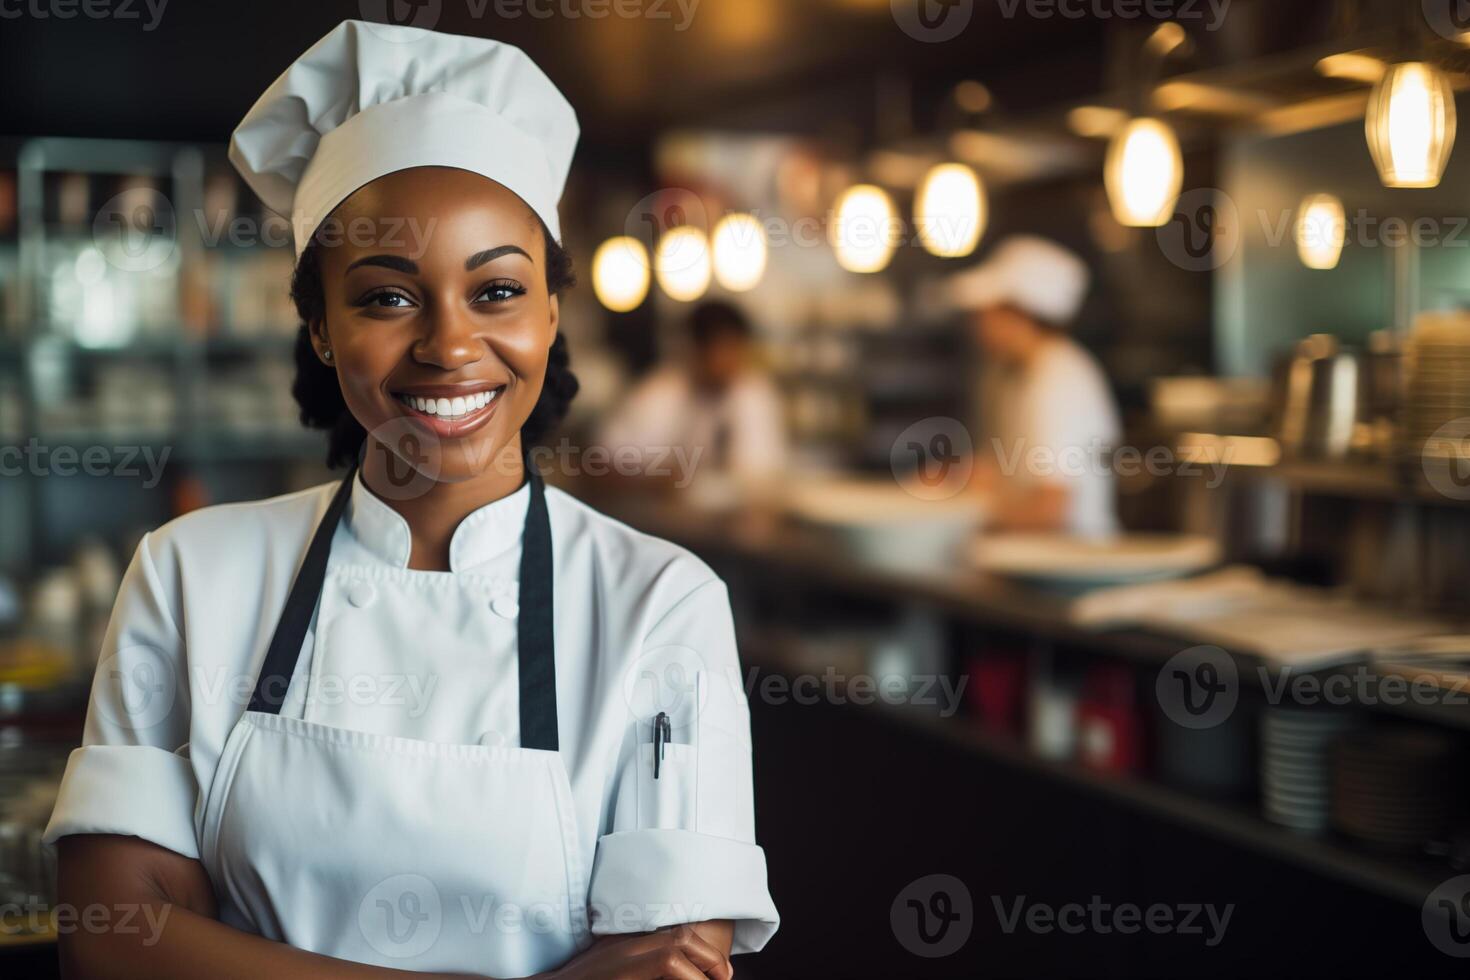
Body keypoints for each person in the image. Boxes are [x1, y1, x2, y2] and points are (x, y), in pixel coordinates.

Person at [43, 21, 777, 980]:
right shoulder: (191, 571)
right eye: (388, 298)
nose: (449, 345)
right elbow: (111, 940)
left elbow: (680, 960)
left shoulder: (660, 603)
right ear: (317, 326)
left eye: (498, 291)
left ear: (552, 315)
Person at [952, 235, 1122, 538]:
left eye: (986, 312)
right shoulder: (1015, 374)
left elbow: (1051, 510)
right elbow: (1006, 470)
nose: (976, 325)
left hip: (1073, 561)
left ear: (1019, 314)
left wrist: (954, 522)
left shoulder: (1057, 380)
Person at [599, 301, 788, 486]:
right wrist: (655, 478)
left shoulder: (754, 394)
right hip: (652, 512)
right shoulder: (659, 393)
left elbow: (764, 471)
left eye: (735, 350)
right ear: (696, 349)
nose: (729, 362)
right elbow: (605, 460)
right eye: (721, 350)